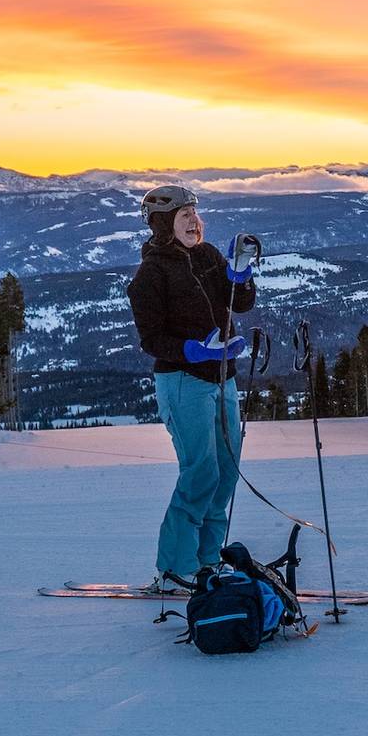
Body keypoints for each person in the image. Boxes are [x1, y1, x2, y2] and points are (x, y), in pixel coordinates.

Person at [126, 184, 260, 594]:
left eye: (196, 215)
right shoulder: (150, 275)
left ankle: (205, 561)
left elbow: (240, 304)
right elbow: (151, 340)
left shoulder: (207, 256)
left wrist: (240, 275)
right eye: (184, 216)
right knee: (200, 471)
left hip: (223, 379)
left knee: (225, 474)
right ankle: (174, 569)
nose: (194, 222)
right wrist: (195, 351)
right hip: (183, 383)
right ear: (162, 224)